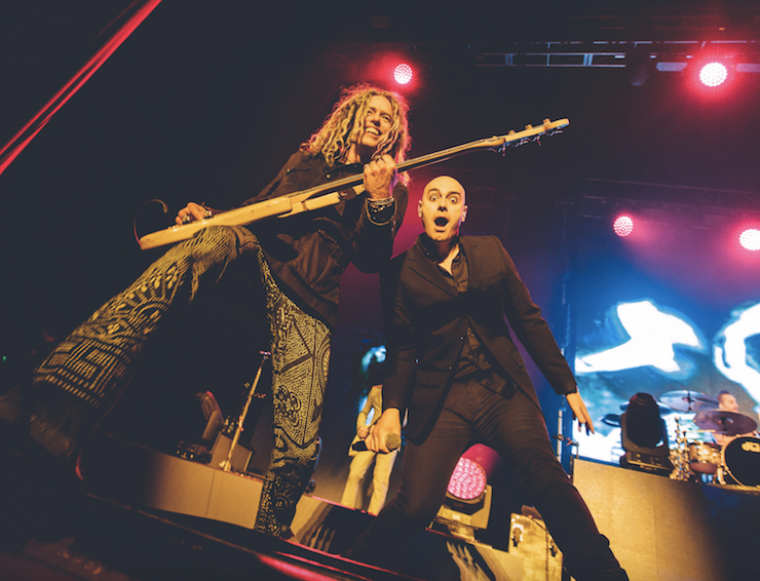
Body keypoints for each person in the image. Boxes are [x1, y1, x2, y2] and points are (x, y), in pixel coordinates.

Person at [0, 84, 411, 539]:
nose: (378, 120)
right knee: (208, 243)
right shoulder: (307, 159)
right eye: (371, 111)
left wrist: (377, 199)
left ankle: (270, 533)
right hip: (259, 252)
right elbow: (257, 209)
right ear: (352, 115)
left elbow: (371, 259)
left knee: (298, 442)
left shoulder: (392, 185)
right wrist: (210, 215)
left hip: (310, 294)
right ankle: (46, 414)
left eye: (387, 118)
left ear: (395, 133)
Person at [348, 176, 628, 580]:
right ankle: (352, 563)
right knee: (415, 507)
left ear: (464, 213)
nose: (442, 205)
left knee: (545, 475)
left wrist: (566, 385)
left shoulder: (490, 251)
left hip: (502, 393)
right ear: (422, 210)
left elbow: (527, 319)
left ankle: (603, 572)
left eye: (453, 199)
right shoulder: (398, 273)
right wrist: (392, 409)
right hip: (442, 401)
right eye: (434, 198)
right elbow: (403, 349)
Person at [340, 384, 400, 515]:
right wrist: (361, 426)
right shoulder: (376, 390)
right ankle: (345, 508)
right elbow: (364, 411)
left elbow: (405, 419)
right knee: (355, 472)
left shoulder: (403, 393)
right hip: (370, 436)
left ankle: (373, 516)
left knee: (380, 480)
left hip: (389, 441)